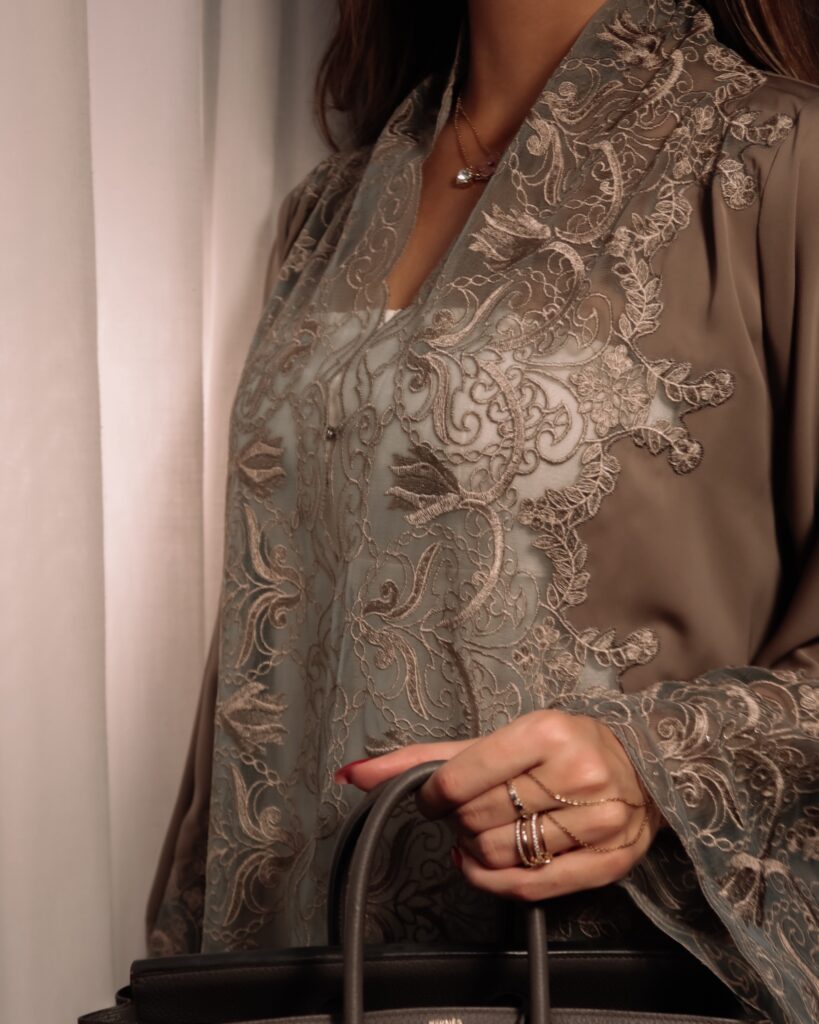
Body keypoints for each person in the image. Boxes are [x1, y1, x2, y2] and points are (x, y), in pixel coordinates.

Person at [146, 1, 819, 1021]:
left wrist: (649, 763)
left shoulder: (778, 155)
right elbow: (263, 651)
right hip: (309, 974)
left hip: (600, 980)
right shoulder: (328, 210)